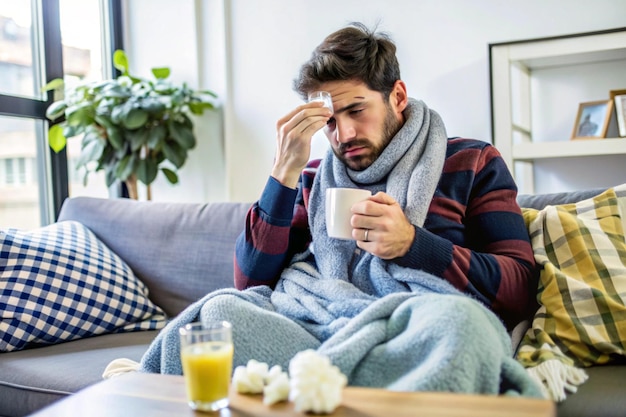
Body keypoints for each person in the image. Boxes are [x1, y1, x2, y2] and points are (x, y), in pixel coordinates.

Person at [139, 22, 541, 398]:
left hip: (413, 323)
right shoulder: (312, 178)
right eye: (330, 121)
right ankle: (359, 390)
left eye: (356, 111)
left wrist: (414, 244)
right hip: (315, 322)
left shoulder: (471, 162)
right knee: (219, 311)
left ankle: (317, 387)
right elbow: (249, 281)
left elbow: (520, 287)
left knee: (462, 326)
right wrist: (284, 171)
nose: (344, 134)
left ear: (397, 97)